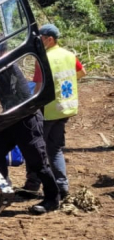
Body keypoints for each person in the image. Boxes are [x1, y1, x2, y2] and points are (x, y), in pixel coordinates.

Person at [0, 33, 61, 215]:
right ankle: (2, 189)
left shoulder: (5, 63)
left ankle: (52, 199)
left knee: (38, 163)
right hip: (11, 118)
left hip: (27, 119)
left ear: (0, 49)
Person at [17, 24, 85, 200]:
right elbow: (82, 72)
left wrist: (27, 107)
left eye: (41, 37)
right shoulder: (69, 55)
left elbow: (38, 88)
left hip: (48, 110)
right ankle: (62, 187)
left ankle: (33, 186)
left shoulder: (44, 58)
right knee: (54, 149)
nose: (39, 40)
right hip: (66, 108)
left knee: (35, 149)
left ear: (50, 39)